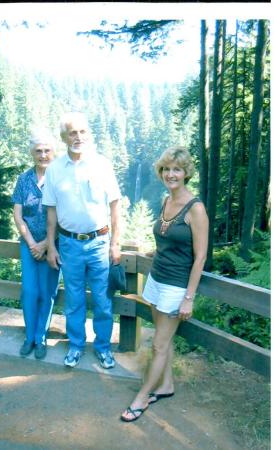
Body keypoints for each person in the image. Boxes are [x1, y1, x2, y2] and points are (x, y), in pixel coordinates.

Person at [121, 146, 209, 422]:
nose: (171, 174)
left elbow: (201, 256)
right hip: (157, 277)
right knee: (164, 338)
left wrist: (189, 297)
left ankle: (142, 397)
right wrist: (156, 252)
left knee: (158, 345)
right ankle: (166, 385)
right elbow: (167, 236)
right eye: (166, 169)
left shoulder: (195, 209)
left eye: (177, 169)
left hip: (176, 287)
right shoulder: (165, 200)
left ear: (186, 173)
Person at [42, 112, 121, 369]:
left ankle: (103, 348)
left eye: (82, 132)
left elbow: (115, 205)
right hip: (68, 244)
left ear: (89, 135)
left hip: (99, 242)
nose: (78, 137)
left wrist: (115, 243)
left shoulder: (102, 164)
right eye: (72, 133)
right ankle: (76, 346)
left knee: (102, 299)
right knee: (74, 299)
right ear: (64, 137)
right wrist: (51, 245)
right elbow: (51, 211)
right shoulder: (54, 169)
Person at [12, 129, 61, 360]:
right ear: (32, 153)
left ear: (54, 152)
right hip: (29, 246)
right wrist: (32, 243)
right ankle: (29, 337)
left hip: (53, 245)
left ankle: (41, 338)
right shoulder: (24, 179)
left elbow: (66, 215)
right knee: (29, 291)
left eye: (47, 150)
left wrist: (45, 244)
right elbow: (18, 215)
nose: (43, 155)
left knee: (47, 293)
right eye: (38, 151)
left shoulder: (60, 178)